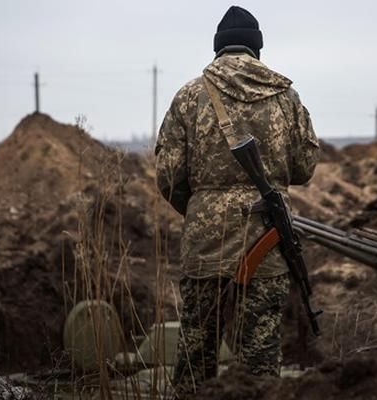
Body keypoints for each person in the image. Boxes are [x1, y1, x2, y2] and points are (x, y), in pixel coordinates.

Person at [154, 5, 320, 398]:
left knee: (196, 354)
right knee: (260, 358)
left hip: (204, 244)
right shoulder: (286, 96)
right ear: (257, 49)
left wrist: (201, 209)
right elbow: (304, 167)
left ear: (218, 49)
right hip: (268, 241)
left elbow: (167, 175)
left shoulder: (189, 96)